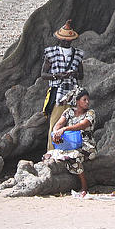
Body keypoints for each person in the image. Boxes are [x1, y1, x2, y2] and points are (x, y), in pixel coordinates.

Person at [40, 20, 85, 151]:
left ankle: (68, 150)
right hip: (58, 93)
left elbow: (81, 75)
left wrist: (74, 74)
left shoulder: (78, 54)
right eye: (64, 39)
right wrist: (58, 76)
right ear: (59, 39)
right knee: (55, 123)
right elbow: (43, 74)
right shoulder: (51, 53)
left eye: (68, 39)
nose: (66, 41)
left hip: (73, 94)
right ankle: (51, 152)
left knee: (72, 123)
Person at [45, 88, 96, 193]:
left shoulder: (90, 113)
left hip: (87, 146)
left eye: (88, 100)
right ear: (77, 101)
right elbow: (57, 125)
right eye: (84, 100)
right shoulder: (68, 112)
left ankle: (84, 186)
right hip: (70, 145)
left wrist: (65, 129)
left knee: (74, 156)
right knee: (48, 155)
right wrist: (56, 133)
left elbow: (82, 125)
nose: (87, 102)